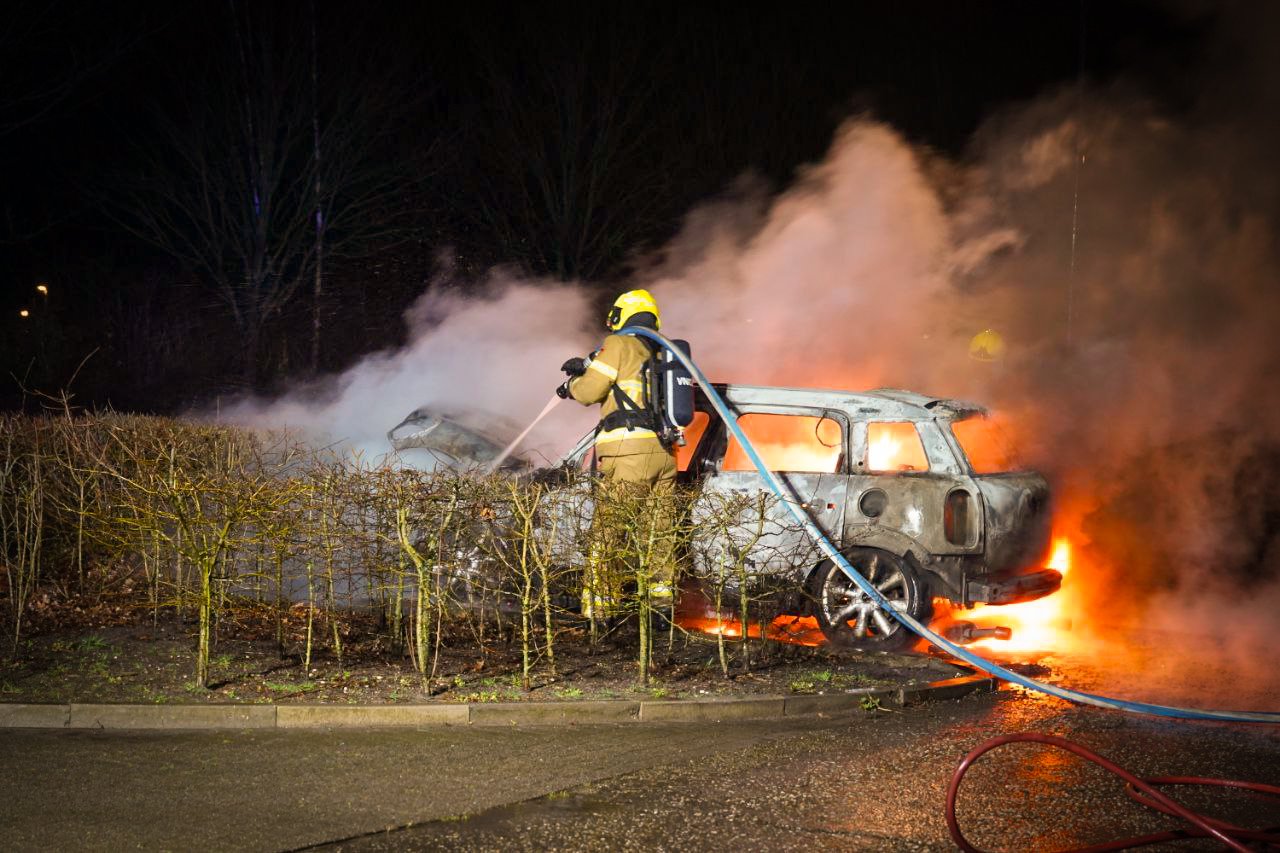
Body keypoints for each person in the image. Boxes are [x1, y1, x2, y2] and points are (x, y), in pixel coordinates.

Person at [559, 289, 677, 622]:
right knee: (659, 532)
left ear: (620, 315)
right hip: (665, 454)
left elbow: (590, 391)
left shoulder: (620, 345)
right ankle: (661, 607)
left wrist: (572, 385)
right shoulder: (664, 350)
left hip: (628, 453)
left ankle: (600, 609)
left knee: (608, 532)